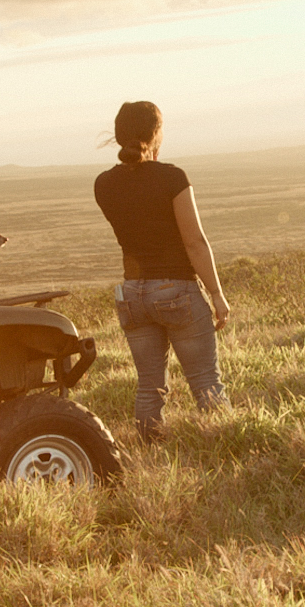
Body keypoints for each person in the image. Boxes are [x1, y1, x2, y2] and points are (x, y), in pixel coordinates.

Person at [93, 102, 230, 441]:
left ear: (117, 135)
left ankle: (150, 452)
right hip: (176, 290)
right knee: (205, 382)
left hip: (132, 296)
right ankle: (228, 446)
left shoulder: (103, 184)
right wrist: (216, 294)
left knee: (149, 386)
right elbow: (194, 242)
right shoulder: (172, 178)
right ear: (157, 135)